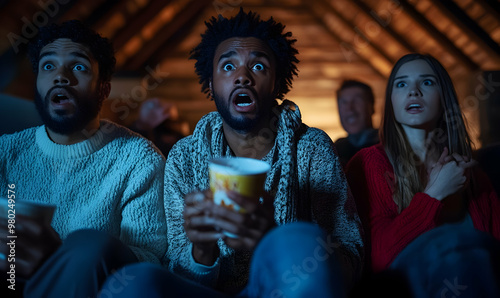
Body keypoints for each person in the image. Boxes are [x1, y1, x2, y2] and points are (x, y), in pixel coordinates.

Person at [101, 9, 364, 297]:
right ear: (211, 85)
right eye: (228, 67)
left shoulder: (312, 147)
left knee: (302, 242)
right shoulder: (185, 157)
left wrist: (275, 240)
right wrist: (202, 249)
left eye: (259, 67)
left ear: (277, 83)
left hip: (283, 287)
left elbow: (350, 254)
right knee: (135, 282)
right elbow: (176, 269)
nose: (243, 77)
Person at [0, 20, 167, 297]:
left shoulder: (139, 161)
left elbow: (150, 261)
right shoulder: (6, 153)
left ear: (104, 89)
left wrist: (66, 259)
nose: (61, 76)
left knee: (90, 244)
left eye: (79, 67)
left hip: (91, 288)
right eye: (48, 66)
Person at [346, 53, 500, 297]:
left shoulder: (475, 177)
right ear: (392, 101)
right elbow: (379, 261)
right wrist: (435, 194)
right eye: (401, 84)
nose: (413, 91)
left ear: (444, 98)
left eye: (427, 82)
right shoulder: (368, 164)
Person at [334, 80, 379, 167]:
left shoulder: (390, 146)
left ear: (372, 106)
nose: (350, 108)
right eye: (344, 102)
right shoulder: (335, 151)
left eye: (357, 101)